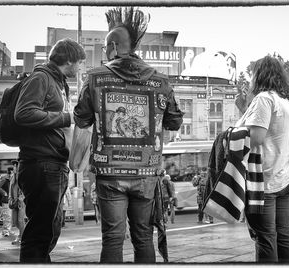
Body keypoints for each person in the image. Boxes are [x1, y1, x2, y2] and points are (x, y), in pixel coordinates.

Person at [72, 7, 183, 263]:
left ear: (112, 47)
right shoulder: (160, 81)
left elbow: (81, 118)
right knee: (143, 236)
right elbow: (175, 122)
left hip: (109, 171)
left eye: (104, 47)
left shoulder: (95, 78)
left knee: (112, 237)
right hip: (146, 172)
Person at [14, 38, 85, 263]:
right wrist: (65, 117)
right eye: (80, 62)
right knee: (39, 233)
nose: (81, 67)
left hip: (53, 164)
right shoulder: (41, 78)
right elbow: (23, 113)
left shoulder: (57, 82)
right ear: (70, 60)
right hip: (41, 163)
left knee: (49, 230)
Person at [235, 55, 289, 262]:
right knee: (283, 233)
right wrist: (246, 109)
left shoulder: (264, 99)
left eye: (253, 74)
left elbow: (257, 137)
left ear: (259, 75)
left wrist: (231, 134)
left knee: (265, 237)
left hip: (264, 180)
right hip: (284, 178)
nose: (251, 78)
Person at [9, 160, 26, 246]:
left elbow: (26, 188)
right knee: (15, 222)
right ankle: (24, 234)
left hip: (21, 202)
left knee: (20, 220)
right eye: (14, 166)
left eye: (16, 166)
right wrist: (10, 199)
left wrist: (22, 198)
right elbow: (10, 189)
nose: (14, 168)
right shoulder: (12, 177)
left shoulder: (23, 176)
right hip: (14, 201)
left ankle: (22, 238)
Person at [0, 168, 14, 237]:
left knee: (10, 216)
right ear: (10, 172)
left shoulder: (13, 178)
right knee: (7, 216)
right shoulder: (5, 178)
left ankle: (8, 230)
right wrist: (5, 193)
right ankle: (6, 231)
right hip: (6, 199)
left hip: (11, 199)